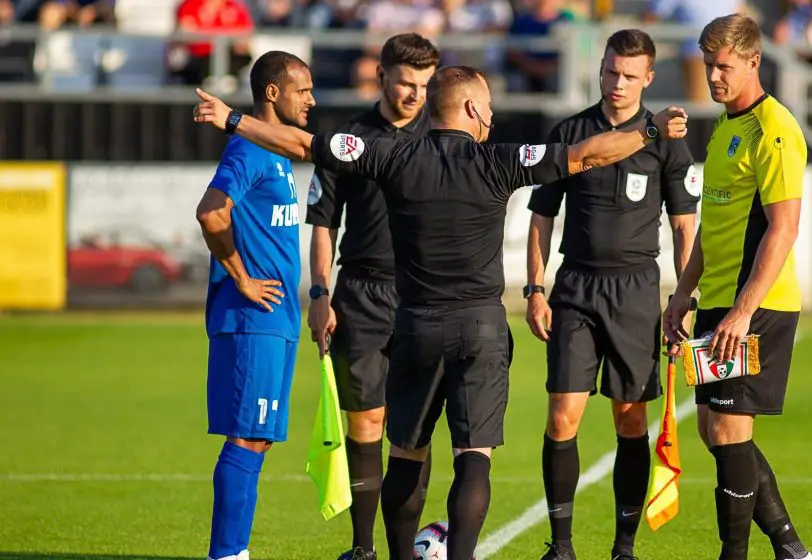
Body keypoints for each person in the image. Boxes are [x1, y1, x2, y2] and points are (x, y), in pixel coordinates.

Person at [192, 64, 689, 560]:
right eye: (489, 105)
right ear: (472, 109)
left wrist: (234, 120)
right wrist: (647, 130)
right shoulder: (500, 161)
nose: (492, 114)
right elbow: (586, 155)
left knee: (406, 454)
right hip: (480, 329)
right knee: (473, 458)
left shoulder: (393, 155)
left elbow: (303, 145)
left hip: (413, 328)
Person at [524, 28, 700, 560]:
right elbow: (540, 219)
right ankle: (561, 546)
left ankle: (624, 546)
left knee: (629, 417)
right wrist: (535, 289)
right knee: (562, 416)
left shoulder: (668, 140)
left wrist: (682, 298)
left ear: (648, 77)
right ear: (599, 70)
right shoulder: (571, 133)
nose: (617, 83)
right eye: (610, 71)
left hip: (637, 291)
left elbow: (685, 228)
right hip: (575, 287)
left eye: (629, 75)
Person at [662, 14, 812, 560]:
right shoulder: (727, 127)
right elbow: (713, 222)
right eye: (708, 65)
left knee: (728, 430)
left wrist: (744, 310)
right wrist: (684, 292)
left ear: (754, 61)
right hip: (718, 303)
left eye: (724, 65)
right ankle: (792, 548)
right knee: (714, 429)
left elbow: (784, 226)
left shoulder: (774, 129)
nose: (713, 76)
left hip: (757, 305)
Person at [304, 33, 440, 560]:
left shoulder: (443, 134)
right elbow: (323, 222)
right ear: (381, 75)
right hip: (359, 293)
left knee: (414, 429)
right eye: (406, 82)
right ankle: (363, 550)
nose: (414, 94)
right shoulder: (349, 138)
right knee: (366, 421)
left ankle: (404, 551)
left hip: (423, 297)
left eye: (424, 85)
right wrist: (319, 292)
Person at [194, 50, 315, 560]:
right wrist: (241, 277)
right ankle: (228, 554)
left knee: (258, 438)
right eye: (302, 90)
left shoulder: (277, 153)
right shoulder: (247, 152)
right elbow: (210, 212)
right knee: (247, 436)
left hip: (277, 319)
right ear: (272, 92)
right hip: (252, 319)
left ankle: (232, 551)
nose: (311, 100)